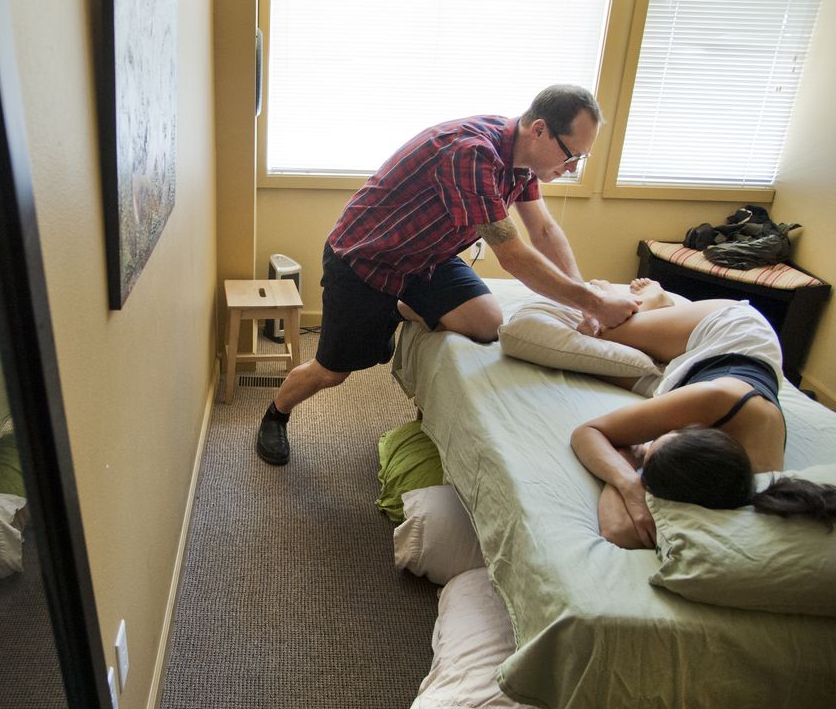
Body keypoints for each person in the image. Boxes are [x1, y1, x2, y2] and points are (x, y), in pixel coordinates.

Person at [256, 85, 640, 466]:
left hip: (427, 257)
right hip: (366, 261)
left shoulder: (524, 163)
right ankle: (276, 414)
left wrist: (588, 298)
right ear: (539, 129)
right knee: (332, 372)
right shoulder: (471, 153)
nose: (572, 168)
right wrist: (595, 303)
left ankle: (396, 310)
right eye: (571, 155)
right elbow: (512, 255)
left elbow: (543, 231)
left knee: (488, 323)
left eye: (581, 160)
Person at [570, 280, 836, 549]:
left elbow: (618, 532)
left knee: (594, 363)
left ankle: (657, 336)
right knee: (595, 334)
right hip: (729, 334)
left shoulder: (729, 488)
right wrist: (629, 484)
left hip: (692, 379)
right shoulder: (712, 399)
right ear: (693, 428)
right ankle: (655, 302)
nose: (645, 445)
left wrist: (632, 455)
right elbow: (588, 432)